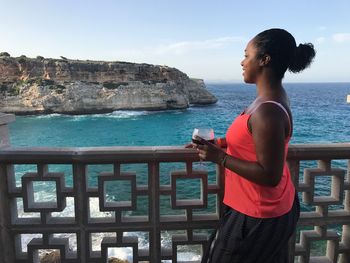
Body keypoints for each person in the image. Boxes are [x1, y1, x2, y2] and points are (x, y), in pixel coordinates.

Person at [192, 28, 316, 263]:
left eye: (247, 55)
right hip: (263, 208)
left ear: (264, 60)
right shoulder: (270, 98)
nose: (242, 62)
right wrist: (218, 144)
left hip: (258, 214)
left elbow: (270, 174)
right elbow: (252, 140)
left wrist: (219, 157)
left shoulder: (267, 110)